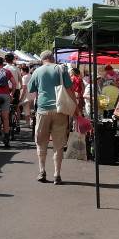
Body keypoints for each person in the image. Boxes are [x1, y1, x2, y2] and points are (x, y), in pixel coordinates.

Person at [27, 50, 75, 184]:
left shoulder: (37, 71)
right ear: (52, 58)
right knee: (58, 144)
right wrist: (76, 109)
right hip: (60, 110)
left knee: (41, 142)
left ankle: (42, 171)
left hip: (43, 110)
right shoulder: (61, 69)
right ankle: (57, 174)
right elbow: (70, 90)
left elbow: (31, 89)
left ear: (42, 59)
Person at [4, 52, 22, 136]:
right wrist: (21, 86)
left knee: (5, 108)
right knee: (16, 106)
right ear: (13, 59)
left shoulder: (3, 68)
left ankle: (4, 123)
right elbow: (20, 79)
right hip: (16, 89)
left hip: (6, 90)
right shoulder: (16, 68)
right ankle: (18, 124)